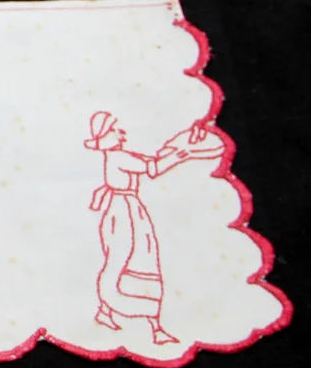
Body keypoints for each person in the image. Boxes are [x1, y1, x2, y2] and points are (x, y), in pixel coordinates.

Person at [83, 111, 214, 345]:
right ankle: (154, 327)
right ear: (105, 136)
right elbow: (153, 167)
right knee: (131, 258)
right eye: (114, 129)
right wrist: (180, 154)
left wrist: (177, 147)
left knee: (130, 258)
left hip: (128, 210)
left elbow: (151, 160)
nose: (120, 132)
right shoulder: (119, 157)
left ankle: (109, 312)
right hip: (123, 213)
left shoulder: (120, 156)